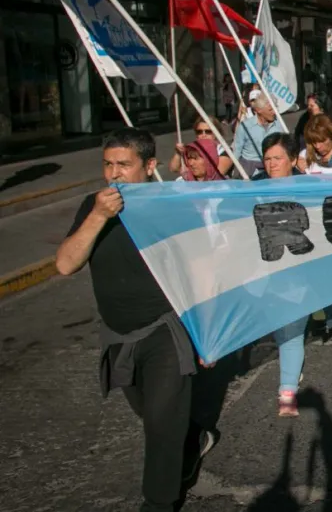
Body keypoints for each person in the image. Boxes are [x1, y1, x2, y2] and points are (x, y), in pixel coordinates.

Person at [55, 128, 216, 512]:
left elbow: (201, 272)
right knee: (153, 415)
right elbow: (65, 263)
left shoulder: (172, 208)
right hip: (119, 336)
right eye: (108, 164)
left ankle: (158, 503)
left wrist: (206, 333)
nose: (114, 174)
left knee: (160, 427)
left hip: (166, 329)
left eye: (123, 165)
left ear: (148, 166)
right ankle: (193, 439)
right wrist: (97, 215)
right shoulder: (92, 208)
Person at [252, 133, 313, 416]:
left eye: (278, 158)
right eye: (267, 158)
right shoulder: (251, 188)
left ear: (293, 160)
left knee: (290, 333)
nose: (272, 164)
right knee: (279, 330)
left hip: (298, 273)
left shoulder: (308, 188)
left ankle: (287, 392)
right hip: (262, 273)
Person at [232, 91, 286, 178]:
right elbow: (236, 151)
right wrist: (236, 172)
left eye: (275, 108)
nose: (274, 112)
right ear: (259, 110)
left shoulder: (280, 125)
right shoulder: (245, 126)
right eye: (270, 109)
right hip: (249, 169)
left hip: (272, 167)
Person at [169, 116, 234, 178]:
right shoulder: (192, 149)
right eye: (199, 132)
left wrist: (189, 174)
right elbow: (174, 169)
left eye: (208, 131)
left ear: (216, 133)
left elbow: (216, 175)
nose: (203, 135)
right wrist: (178, 153)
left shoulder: (225, 151)